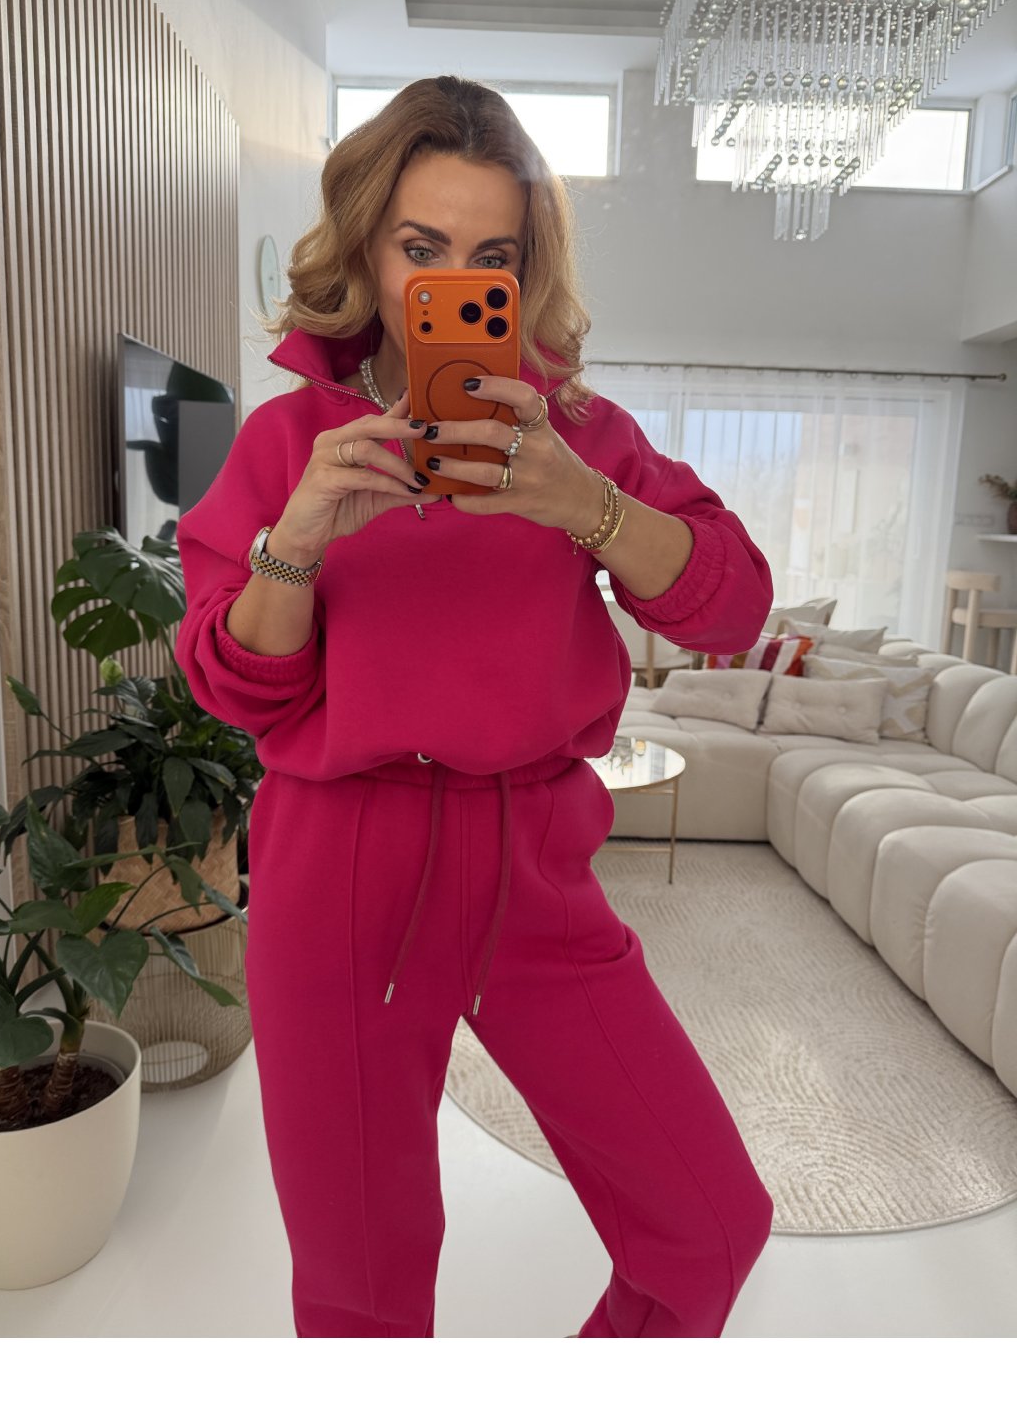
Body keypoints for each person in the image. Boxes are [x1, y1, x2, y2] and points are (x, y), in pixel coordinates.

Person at [174, 74, 776, 1340]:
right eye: (422, 248)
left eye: (491, 258)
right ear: (367, 251)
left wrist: (583, 505)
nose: (454, 285)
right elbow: (233, 687)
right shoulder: (289, 445)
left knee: (710, 1226)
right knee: (361, 1293)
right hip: (338, 868)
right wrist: (299, 538)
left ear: (526, 270)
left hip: (533, 864)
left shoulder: (577, 437)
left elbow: (730, 608)